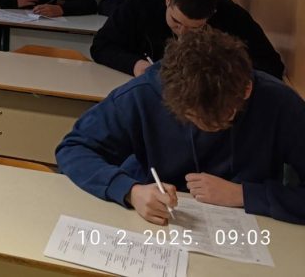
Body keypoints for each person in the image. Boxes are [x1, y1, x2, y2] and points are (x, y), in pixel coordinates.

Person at [57, 28, 305, 225]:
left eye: (224, 117)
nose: (209, 127)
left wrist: (244, 195)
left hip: (252, 226)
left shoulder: (281, 104)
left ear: (247, 89)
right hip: (159, 220)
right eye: (194, 118)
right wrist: (131, 191)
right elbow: (74, 148)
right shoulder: (146, 93)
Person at [90, 0, 284, 79]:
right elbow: (101, 46)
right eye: (176, 22)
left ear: (211, 14)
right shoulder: (139, 6)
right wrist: (135, 65)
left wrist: (218, 70)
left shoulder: (231, 16)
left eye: (194, 28)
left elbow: (271, 66)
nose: (183, 33)